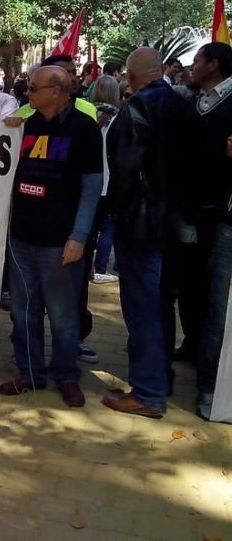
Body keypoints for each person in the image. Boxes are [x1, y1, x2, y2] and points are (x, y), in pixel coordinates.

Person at [103, 47, 202, 418]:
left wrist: (115, 209)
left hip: (142, 222)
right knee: (160, 303)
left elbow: (126, 169)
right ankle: (158, 379)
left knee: (143, 306)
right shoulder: (183, 105)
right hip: (173, 221)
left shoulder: (139, 109)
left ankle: (147, 392)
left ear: (130, 75)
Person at [0, 66, 103, 408]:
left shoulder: (84, 129)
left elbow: (91, 186)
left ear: (57, 91)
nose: (28, 93)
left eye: (34, 88)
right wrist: (6, 133)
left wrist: (80, 235)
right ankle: (30, 372)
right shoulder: (25, 124)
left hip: (61, 241)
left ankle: (66, 375)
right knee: (23, 311)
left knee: (62, 315)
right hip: (22, 238)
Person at [190, 42, 232, 420]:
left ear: (213, 65)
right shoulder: (193, 100)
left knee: (218, 305)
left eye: (198, 61)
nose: (192, 65)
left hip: (224, 217)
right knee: (194, 288)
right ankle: (193, 351)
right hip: (196, 211)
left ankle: (210, 387)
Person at [87, 75, 120, 285]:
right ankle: (99, 269)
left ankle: (85, 266)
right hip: (109, 183)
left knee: (89, 228)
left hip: (89, 181)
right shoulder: (120, 119)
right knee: (107, 229)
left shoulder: (87, 114)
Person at [17, 55, 97, 121]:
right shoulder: (23, 113)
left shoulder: (88, 109)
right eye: (65, 73)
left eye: (74, 72)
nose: (73, 78)